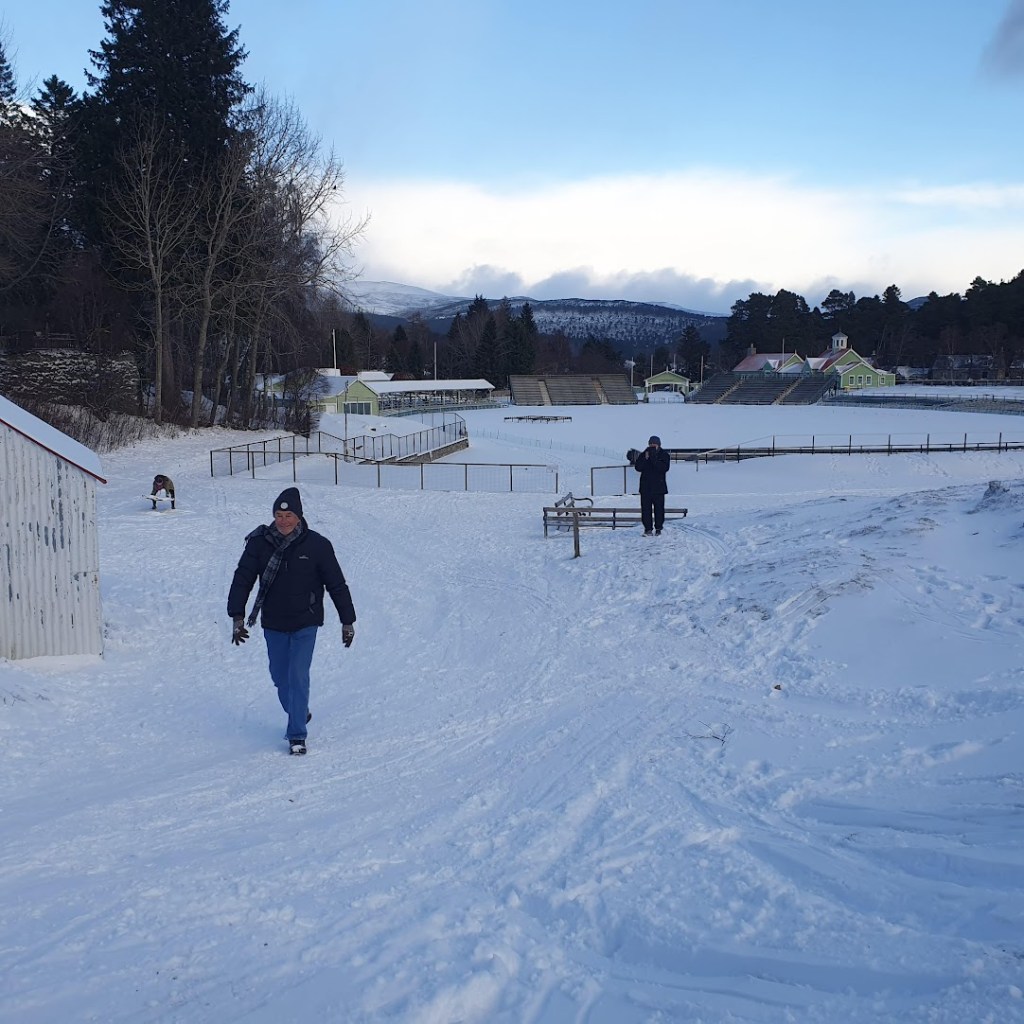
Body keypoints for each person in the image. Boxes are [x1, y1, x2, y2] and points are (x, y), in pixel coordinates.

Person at [227, 487, 356, 755]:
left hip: (305, 621)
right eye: (278, 515)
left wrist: (347, 621)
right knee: (279, 676)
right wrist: (237, 617)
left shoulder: (318, 545)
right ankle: (299, 710)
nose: (283, 521)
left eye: (288, 515)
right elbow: (243, 580)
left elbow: (336, 584)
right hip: (273, 621)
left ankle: (297, 734)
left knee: (298, 676)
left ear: (299, 517)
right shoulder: (259, 543)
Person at [633, 435, 670, 536]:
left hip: (659, 488)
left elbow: (663, 468)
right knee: (646, 510)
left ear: (658, 445)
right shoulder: (644, 454)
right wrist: (645, 459)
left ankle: (658, 528)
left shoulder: (664, 455)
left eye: (654, 444)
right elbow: (638, 467)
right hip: (646, 488)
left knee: (659, 509)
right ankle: (647, 529)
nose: (652, 446)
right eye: (651, 444)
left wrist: (653, 458)